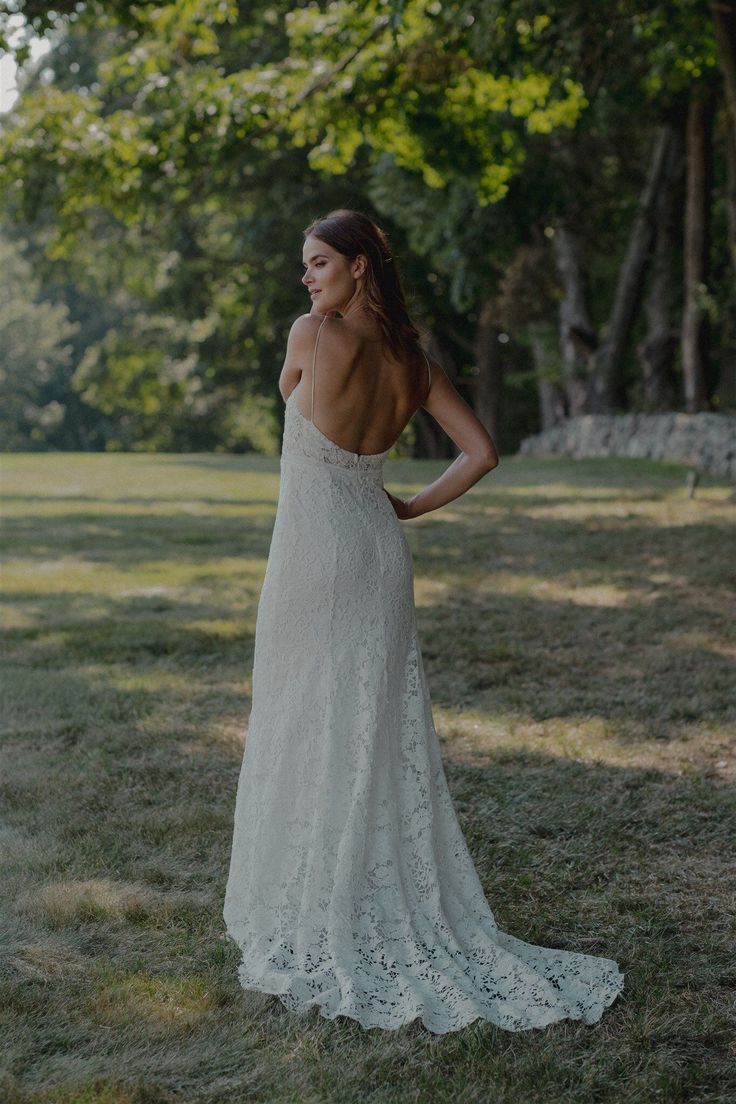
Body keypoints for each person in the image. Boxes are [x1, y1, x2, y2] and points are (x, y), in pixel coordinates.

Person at [223, 208, 624, 1033]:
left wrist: (393, 500)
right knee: (370, 727)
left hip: (310, 553)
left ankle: (311, 898)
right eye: (305, 268)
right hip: (376, 550)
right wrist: (406, 506)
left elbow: (289, 401)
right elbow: (481, 451)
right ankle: (366, 889)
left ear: (360, 266)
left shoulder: (311, 334)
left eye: (319, 263)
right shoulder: (415, 359)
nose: (307, 280)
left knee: (304, 718)